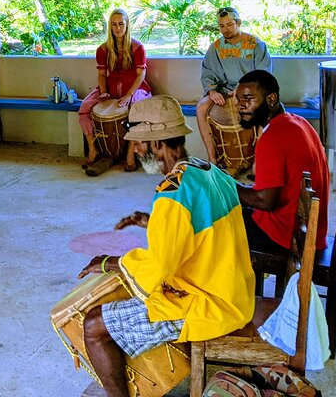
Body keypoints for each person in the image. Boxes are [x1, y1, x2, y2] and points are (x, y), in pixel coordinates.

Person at [77, 95, 255, 396]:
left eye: (138, 143)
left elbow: (159, 266)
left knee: (94, 326)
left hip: (207, 303)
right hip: (234, 291)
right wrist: (151, 221)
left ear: (156, 143)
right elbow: (198, 227)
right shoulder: (210, 172)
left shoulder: (171, 195)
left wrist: (112, 263)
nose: (134, 149)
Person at [235, 69, 329, 252]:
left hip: (286, 237)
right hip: (313, 232)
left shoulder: (272, 137)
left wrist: (224, 187)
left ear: (271, 99)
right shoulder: (300, 123)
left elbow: (265, 201)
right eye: (238, 99)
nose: (241, 106)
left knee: (216, 225)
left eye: (248, 99)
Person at [78, 9, 152, 171]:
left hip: (134, 89)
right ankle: (93, 149)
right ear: (110, 27)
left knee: (136, 111)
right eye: (114, 24)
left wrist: (128, 95)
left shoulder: (137, 47)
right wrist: (104, 91)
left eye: (121, 24)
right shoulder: (103, 49)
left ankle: (130, 154)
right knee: (84, 108)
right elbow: (102, 74)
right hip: (111, 88)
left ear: (127, 25)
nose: (118, 28)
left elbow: (141, 74)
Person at [197, 6, 272, 165]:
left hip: (250, 92)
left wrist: (243, 89)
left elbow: (263, 74)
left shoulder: (256, 44)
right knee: (201, 107)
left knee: (265, 110)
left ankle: (259, 162)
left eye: (229, 24)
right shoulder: (216, 47)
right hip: (224, 90)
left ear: (238, 23)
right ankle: (212, 160)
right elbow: (208, 71)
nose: (226, 29)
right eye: (222, 26)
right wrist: (211, 91)